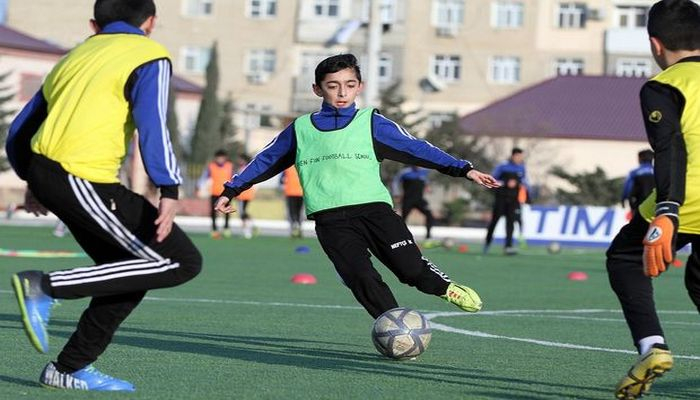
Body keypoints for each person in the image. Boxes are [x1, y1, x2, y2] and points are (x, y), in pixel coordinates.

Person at [4, 0, 202, 392]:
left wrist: (32, 179)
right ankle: (44, 286)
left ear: (95, 25)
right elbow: (153, 126)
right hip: (83, 177)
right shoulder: (150, 54)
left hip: (51, 171)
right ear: (151, 22)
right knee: (181, 261)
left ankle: (69, 368)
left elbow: (22, 126)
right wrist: (169, 188)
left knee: (128, 272)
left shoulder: (74, 56)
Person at [215, 54, 499, 319]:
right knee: (360, 277)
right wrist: (232, 189)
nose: (342, 93)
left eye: (349, 85)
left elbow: (417, 149)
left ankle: (443, 287)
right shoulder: (300, 129)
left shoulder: (371, 122)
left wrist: (464, 169)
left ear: (359, 87)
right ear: (317, 89)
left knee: (410, 270)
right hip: (330, 221)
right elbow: (266, 159)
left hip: (375, 213)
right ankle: (395, 325)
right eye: (333, 86)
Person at [606, 1, 700, 398]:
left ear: (655, 45)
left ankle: (652, 347)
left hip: (688, 194)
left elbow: (670, 148)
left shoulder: (664, 84)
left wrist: (667, 210)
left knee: (625, 257)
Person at [484, 147, 528, 255]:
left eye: (521, 156)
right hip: (501, 199)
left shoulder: (522, 167)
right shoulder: (503, 166)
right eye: (518, 156)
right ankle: (487, 244)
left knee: (510, 224)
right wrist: (506, 182)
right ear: (513, 156)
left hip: (513, 200)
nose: (520, 158)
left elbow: (523, 182)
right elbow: (493, 180)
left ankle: (508, 247)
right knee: (494, 222)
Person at [197, 149, 234, 238]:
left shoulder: (230, 166)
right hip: (214, 192)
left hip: (227, 193)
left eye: (222, 158)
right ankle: (214, 229)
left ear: (225, 158)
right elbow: (203, 177)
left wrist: (235, 191)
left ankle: (226, 228)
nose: (220, 159)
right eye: (218, 158)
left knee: (227, 211)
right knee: (213, 211)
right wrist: (199, 187)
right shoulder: (211, 166)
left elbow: (234, 179)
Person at [392, 166, 435, 239]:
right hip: (408, 200)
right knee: (403, 218)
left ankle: (428, 236)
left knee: (429, 215)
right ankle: (400, 236)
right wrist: (396, 194)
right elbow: (395, 181)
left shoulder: (424, 172)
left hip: (419, 200)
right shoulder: (405, 172)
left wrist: (428, 187)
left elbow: (426, 181)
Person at [235, 154, 257, 238]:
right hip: (246, 194)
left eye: (240, 159)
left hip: (243, 194)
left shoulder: (243, 169)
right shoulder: (250, 168)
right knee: (244, 212)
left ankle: (247, 231)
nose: (239, 161)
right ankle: (250, 225)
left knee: (242, 213)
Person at [280, 166, 304, 238]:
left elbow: (281, 181)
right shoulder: (302, 166)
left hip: (290, 192)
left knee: (292, 212)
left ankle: (294, 229)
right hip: (300, 192)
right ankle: (299, 228)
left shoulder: (287, 168)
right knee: (299, 212)